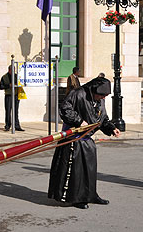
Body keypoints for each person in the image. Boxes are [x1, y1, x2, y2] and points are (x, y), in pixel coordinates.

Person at [48, 77, 120, 209]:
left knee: (90, 170)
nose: (103, 98)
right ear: (94, 90)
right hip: (73, 140)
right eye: (102, 95)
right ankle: (76, 198)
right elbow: (65, 108)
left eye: (105, 96)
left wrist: (111, 128)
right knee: (76, 172)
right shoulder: (78, 93)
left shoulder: (100, 100)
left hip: (87, 140)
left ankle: (91, 194)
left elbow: (102, 119)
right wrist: (79, 121)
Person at [0, 65, 24, 131]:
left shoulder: (17, 76)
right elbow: (1, 87)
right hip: (8, 96)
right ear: (9, 70)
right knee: (8, 111)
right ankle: (7, 126)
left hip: (16, 95)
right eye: (12, 70)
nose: (13, 71)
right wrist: (8, 85)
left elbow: (21, 83)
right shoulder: (4, 77)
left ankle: (17, 126)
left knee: (16, 111)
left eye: (14, 70)